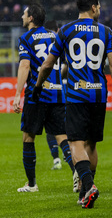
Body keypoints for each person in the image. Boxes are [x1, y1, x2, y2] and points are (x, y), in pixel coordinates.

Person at [33, 0, 112, 208]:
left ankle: (89, 186)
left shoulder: (65, 31)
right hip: (98, 94)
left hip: (76, 94)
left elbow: (47, 65)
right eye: (99, 7)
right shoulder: (106, 31)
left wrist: (38, 86)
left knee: (75, 142)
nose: (99, 9)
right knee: (91, 144)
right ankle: (85, 192)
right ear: (93, 8)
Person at [13, 4, 75, 192]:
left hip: (36, 94)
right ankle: (77, 174)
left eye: (24, 14)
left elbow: (24, 67)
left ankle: (32, 185)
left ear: (31, 18)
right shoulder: (55, 36)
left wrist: (17, 94)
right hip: (57, 94)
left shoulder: (26, 39)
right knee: (62, 137)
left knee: (28, 137)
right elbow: (65, 64)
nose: (22, 17)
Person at [43, 20, 63, 170]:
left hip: (45, 88)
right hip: (62, 89)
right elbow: (68, 64)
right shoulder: (61, 42)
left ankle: (56, 158)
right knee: (62, 128)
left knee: (50, 128)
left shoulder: (42, 43)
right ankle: (72, 157)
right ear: (57, 29)